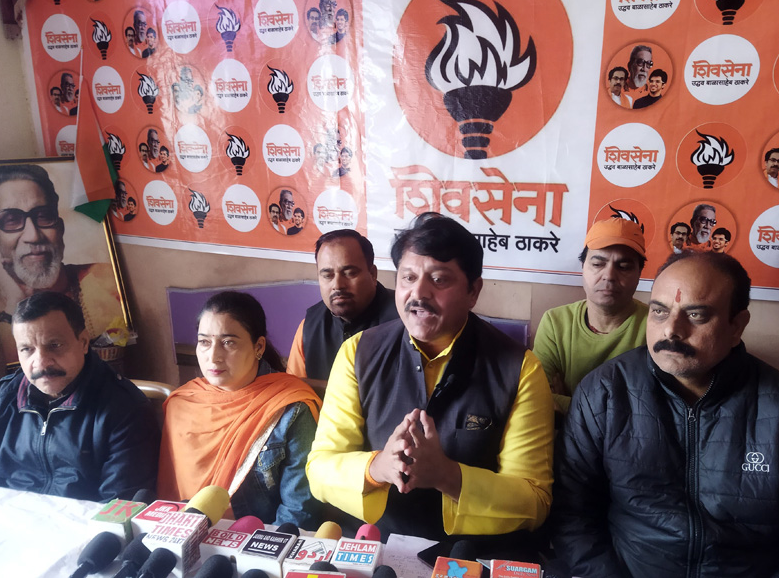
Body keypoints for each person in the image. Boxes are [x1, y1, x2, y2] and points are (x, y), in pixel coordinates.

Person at [307, 213, 554, 543]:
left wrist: (447, 476)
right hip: (372, 543)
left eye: (438, 280)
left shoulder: (520, 368)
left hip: (469, 551)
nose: (418, 293)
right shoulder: (358, 352)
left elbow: (534, 501)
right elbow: (320, 469)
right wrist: (377, 468)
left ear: (473, 291)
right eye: (408, 278)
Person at [551, 251, 779, 577]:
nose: (671, 331)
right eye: (660, 312)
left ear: (737, 325)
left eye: (695, 315)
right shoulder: (605, 393)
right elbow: (572, 515)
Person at [157, 291, 322, 529]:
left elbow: (298, 511)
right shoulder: (182, 403)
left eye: (228, 343)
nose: (213, 357)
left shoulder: (290, 406)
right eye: (204, 342)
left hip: (254, 541)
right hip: (179, 532)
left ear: (258, 346)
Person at [0, 292, 159, 501]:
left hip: (83, 521)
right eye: (27, 349)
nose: (41, 362)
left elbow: (118, 508)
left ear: (83, 342)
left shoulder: (125, 409)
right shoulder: (3, 396)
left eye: (54, 345)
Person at [0, 165, 125, 364]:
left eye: (43, 216)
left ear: (60, 230)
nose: (33, 236)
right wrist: (15, 304)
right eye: (11, 220)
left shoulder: (104, 282)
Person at [533, 218, 647, 414]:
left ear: (639, 274)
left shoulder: (655, 326)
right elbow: (535, 395)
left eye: (623, 266)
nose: (609, 276)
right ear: (583, 267)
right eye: (598, 264)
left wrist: (569, 402)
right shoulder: (555, 322)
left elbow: (651, 409)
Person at [287, 230, 398, 385]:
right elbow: (295, 391)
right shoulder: (309, 328)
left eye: (349, 273)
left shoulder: (406, 321)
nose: (338, 285)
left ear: (373, 274)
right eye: (327, 276)